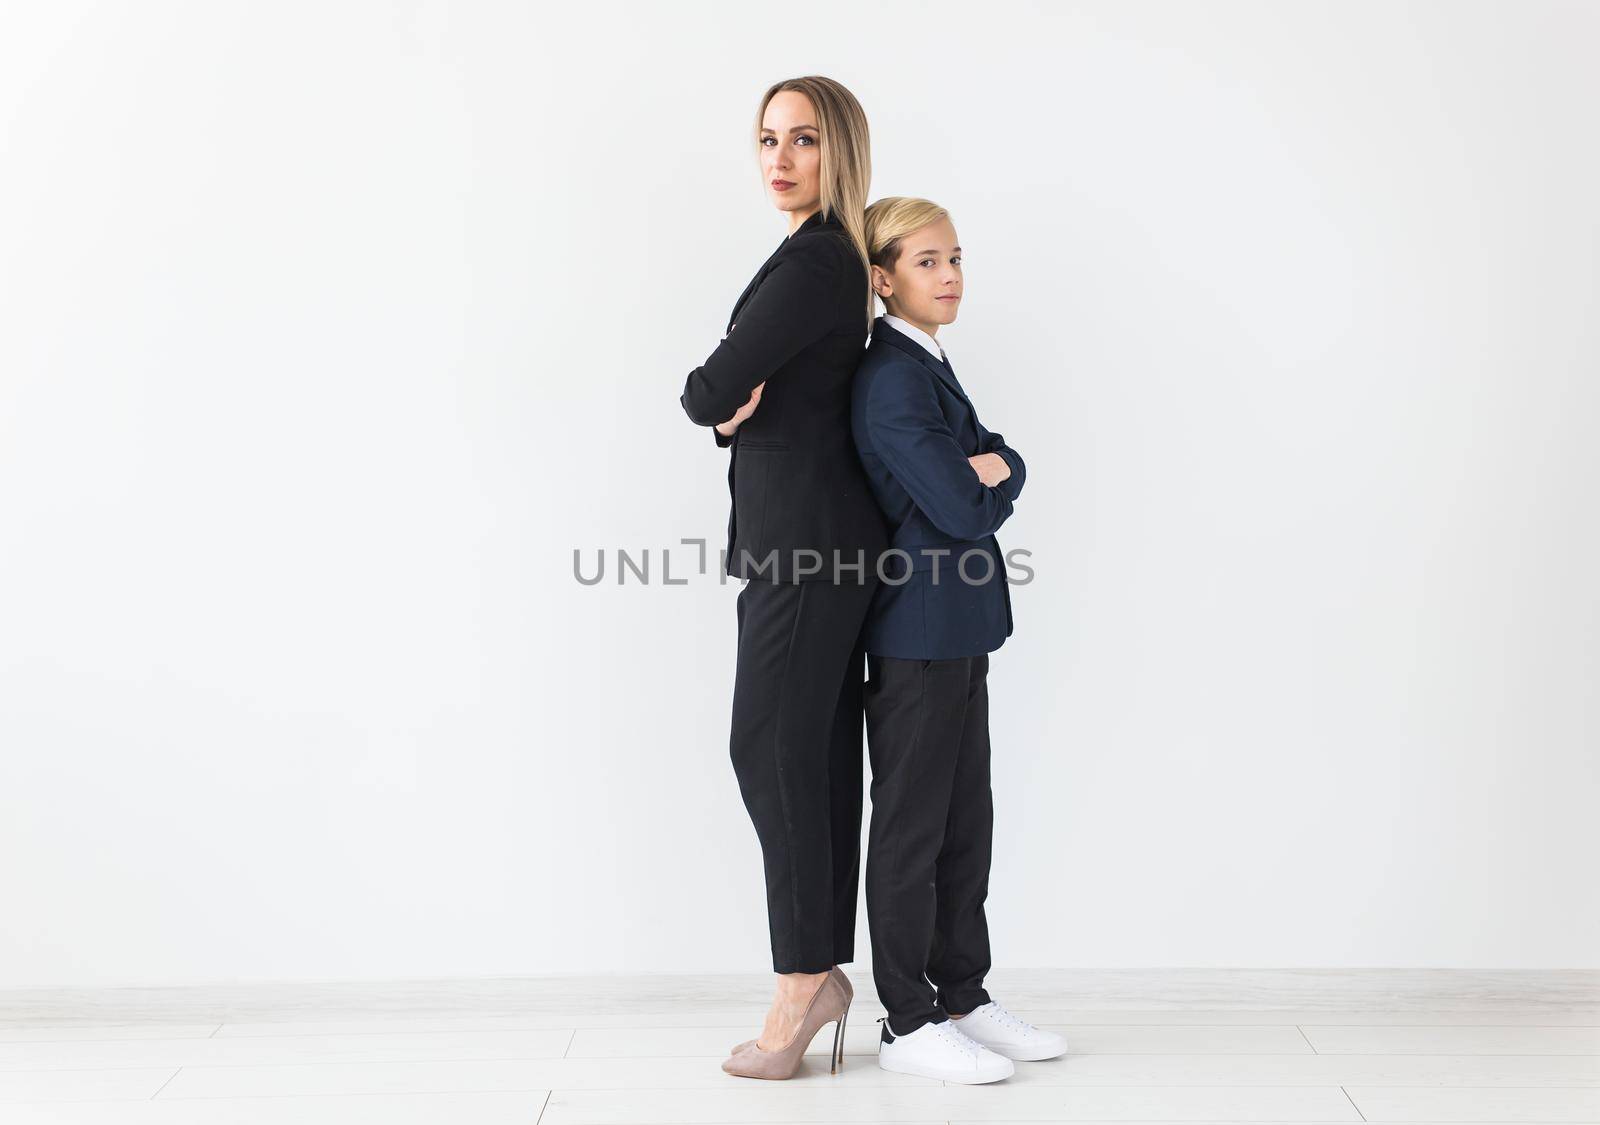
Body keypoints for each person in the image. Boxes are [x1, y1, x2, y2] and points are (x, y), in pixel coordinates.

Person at [678, 76, 889, 1081]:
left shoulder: (814, 265)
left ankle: (804, 982)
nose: (779, 157)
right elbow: (735, 393)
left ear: (838, 151)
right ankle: (816, 972)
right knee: (800, 750)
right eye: (766, 138)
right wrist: (733, 403)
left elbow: (708, 389)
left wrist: (724, 402)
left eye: (802, 139)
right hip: (811, 542)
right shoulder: (819, 258)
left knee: (768, 744)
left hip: (806, 547)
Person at [849, 196, 1068, 1084]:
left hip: (958, 627)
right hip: (916, 631)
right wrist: (988, 472)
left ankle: (962, 995)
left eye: (956, 258)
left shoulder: (927, 361)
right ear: (882, 277)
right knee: (911, 827)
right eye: (928, 261)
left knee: (962, 823)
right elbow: (964, 500)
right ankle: (906, 1018)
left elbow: (1000, 458)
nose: (950, 276)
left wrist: (992, 465)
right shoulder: (892, 376)